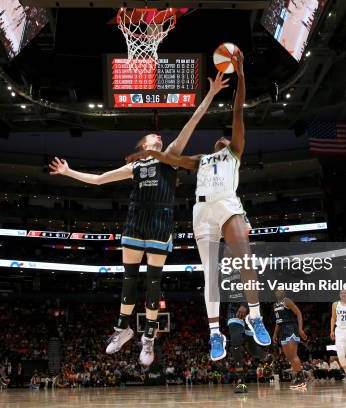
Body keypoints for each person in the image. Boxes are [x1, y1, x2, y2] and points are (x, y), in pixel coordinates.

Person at [49, 73, 229, 366]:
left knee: (154, 284)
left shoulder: (170, 156)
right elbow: (98, 180)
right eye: (153, 136)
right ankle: (123, 329)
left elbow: (191, 122)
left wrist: (210, 95)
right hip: (135, 222)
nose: (159, 136)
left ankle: (148, 338)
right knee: (129, 280)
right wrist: (68, 172)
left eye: (159, 136)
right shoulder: (133, 166)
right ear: (143, 143)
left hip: (160, 222)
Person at [125, 53, 271, 363]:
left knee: (245, 256)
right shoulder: (200, 160)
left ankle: (255, 315)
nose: (221, 138)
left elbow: (238, 113)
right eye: (218, 138)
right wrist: (146, 155)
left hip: (227, 205)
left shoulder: (235, 152)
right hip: (202, 213)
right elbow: (171, 159)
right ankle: (214, 333)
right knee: (211, 276)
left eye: (224, 137)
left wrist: (241, 74)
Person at [272, 290, 308, 389]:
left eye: (281, 290)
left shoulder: (287, 301)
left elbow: (299, 313)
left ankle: (302, 380)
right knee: (289, 357)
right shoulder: (275, 305)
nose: (279, 291)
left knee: (293, 355)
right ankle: (297, 378)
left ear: (284, 292)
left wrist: (300, 329)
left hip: (291, 327)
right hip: (282, 330)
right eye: (277, 290)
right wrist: (274, 334)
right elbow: (278, 321)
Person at [227, 304, 265, 393]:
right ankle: (241, 382)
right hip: (233, 308)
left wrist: (244, 304)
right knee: (235, 342)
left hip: (251, 306)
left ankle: (267, 358)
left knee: (253, 349)